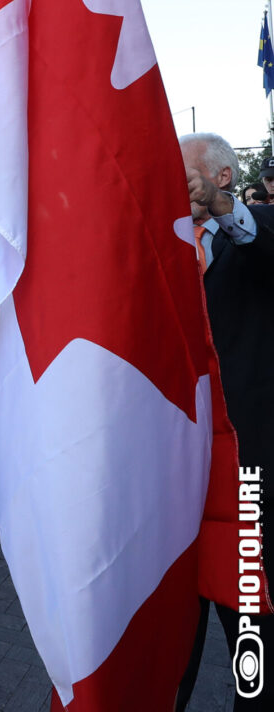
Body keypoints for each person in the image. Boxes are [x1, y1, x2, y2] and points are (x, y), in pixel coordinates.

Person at [176, 133, 274, 711]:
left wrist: (219, 214)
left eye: (184, 173)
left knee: (248, 621)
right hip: (172, 470)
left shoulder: (253, 229)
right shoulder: (157, 242)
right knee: (172, 626)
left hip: (243, 472)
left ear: (221, 179)